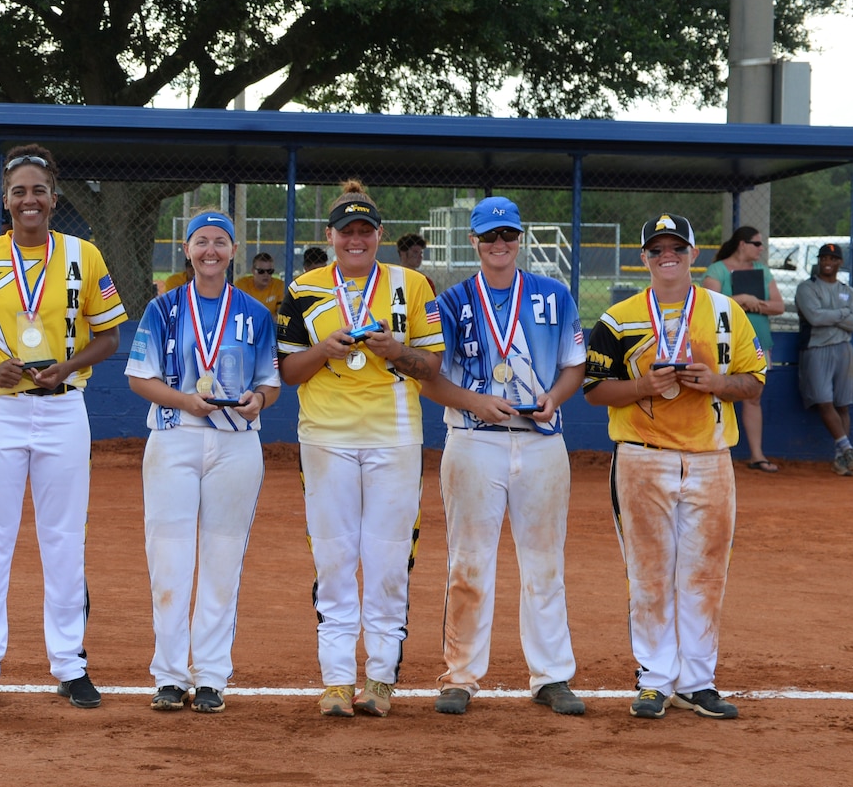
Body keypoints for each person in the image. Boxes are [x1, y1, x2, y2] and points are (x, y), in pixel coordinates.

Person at [0, 143, 128, 710]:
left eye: (38, 190)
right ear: (6, 198)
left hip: (64, 407)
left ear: (54, 195)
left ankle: (69, 663)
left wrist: (68, 367)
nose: (29, 200)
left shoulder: (83, 255)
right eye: (18, 191)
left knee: (64, 538)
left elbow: (110, 335)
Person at [584, 213, 765, 720]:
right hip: (642, 458)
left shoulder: (726, 312)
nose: (668, 256)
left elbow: (754, 381)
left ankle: (698, 680)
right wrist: (644, 385)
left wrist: (717, 383)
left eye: (677, 248)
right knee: (648, 574)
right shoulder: (618, 318)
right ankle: (655, 678)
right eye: (657, 249)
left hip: (710, 458)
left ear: (694, 254)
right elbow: (595, 392)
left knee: (706, 573)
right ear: (644, 258)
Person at [275, 179, 443, 719]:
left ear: (379, 236)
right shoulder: (303, 290)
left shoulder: (413, 285)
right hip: (326, 438)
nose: (356, 239)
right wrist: (325, 349)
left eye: (365, 231)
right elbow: (287, 372)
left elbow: (432, 365)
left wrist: (396, 350)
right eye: (346, 231)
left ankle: (381, 678)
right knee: (334, 555)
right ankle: (336, 680)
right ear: (330, 235)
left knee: (389, 556)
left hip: (395, 437)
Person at [422, 197, 587, 716]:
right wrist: (476, 402)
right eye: (489, 237)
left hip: (540, 440)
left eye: (508, 236)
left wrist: (555, 398)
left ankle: (551, 675)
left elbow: (574, 366)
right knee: (468, 562)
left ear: (520, 237)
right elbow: (430, 378)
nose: (499, 245)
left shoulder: (553, 296)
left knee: (545, 562)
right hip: (474, 440)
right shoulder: (450, 303)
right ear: (473, 241)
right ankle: (460, 676)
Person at [124, 212, 279, 714]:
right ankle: (169, 675)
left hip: (236, 441)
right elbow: (139, 379)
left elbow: (270, 383)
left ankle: (211, 675)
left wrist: (259, 399)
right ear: (187, 250)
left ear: (233, 251)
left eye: (220, 242)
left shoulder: (254, 313)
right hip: (175, 435)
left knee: (222, 559)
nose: (210, 250)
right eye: (201, 242)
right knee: (169, 560)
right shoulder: (164, 308)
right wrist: (185, 401)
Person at [703, 227, 783, 472]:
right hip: (721, 343)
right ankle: (708, 451)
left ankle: (757, 456)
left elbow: (778, 306)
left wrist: (755, 304)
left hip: (757, 342)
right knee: (712, 393)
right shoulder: (717, 270)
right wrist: (741, 299)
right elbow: (706, 302)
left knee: (753, 395)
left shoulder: (763, 271)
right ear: (741, 244)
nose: (761, 248)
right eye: (756, 244)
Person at [794, 243, 853, 474]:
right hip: (816, 347)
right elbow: (814, 317)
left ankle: (840, 459)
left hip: (843, 349)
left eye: (832, 258)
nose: (827, 262)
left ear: (839, 262)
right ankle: (847, 448)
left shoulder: (848, 290)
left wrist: (833, 316)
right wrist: (843, 314)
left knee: (843, 404)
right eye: (824, 258)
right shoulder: (807, 287)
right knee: (823, 401)